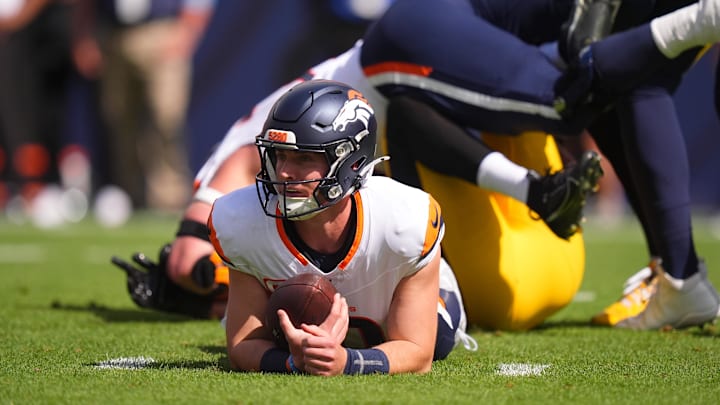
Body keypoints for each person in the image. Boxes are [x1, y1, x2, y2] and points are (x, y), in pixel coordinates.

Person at [114, 0, 720, 328]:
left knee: (564, 102)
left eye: (295, 160)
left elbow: (200, 254)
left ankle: (700, 18)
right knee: (632, 84)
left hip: (404, 45)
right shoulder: (273, 148)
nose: (289, 177)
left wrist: (187, 276)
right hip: (443, 38)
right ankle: (681, 277)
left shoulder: (237, 184)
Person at [208, 80, 476, 375]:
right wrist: (291, 362)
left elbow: (416, 351)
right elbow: (243, 346)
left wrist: (347, 362)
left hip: (396, 300)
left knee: (437, 340)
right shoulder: (243, 222)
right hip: (302, 321)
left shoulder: (403, 221)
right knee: (281, 333)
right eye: (279, 154)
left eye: (304, 157)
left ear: (351, 162)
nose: (283, 171)